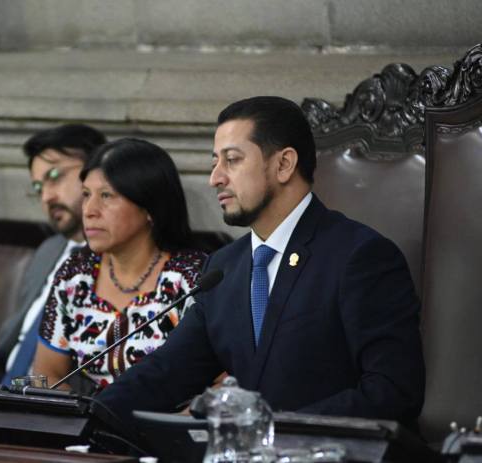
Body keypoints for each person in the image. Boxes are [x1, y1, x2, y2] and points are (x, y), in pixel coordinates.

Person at [96, 96, 425, 428]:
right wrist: (85, 415)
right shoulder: (223, 269)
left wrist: (272, 427)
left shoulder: (360, 256)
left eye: (233, 160)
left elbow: (393, 391)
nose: (215, 178)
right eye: (214, 163)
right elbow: (165, 374)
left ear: (283, 165)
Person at [33, 138, 206, 389]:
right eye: (86, 195)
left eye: (106, 196)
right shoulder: (76, 273)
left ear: (150, 208)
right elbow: (46, 375)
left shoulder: (191, 277)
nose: (89, 210)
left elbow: (219, 384)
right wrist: (81, 416)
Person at [0, 123, 106, 395]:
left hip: (48, 408)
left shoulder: (119, 262)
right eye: (37, 187)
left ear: (97, 172)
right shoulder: (49, 251)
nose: (46, 197)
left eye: (55, 176)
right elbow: (0, 366)